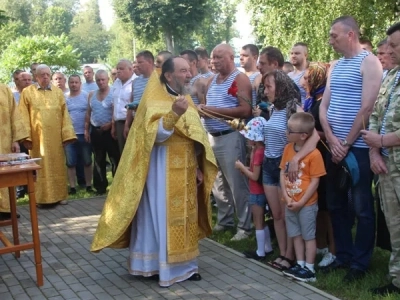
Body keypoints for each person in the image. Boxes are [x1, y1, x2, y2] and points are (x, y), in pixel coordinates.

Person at [91, 57, 218, 287]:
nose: (189, 75)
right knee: (161, 216)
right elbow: (153, 137)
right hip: (161, 169)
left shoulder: (186, 97)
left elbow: (195, 134)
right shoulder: (152, 101)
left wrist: (199, 166)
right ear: (169, 75)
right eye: (183, 71)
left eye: (189, 70)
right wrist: (173, 114)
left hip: (186, 166)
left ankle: (186, 266)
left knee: (184, 217)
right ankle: (156, 266)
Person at [319, 16, 382, 282]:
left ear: (351, 35)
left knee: (361, 207)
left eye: (334, 35)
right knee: (335, 204)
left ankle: (360, 262)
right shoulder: (335, 65)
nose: (331, 40)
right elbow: (324, 107)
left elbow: (367, 107)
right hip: (334, 146)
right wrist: (332, 139)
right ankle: (343, 255)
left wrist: (345, 143)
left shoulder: (369, 62)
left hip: (356, 149)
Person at [262, 70, 319, 271]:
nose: (265, 90)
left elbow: (313, 137)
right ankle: (283, 252)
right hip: (269, 164)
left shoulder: (293, 108)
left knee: (288, 212)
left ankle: (291, 256)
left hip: (286, 164)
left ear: (281, 86)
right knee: (277, 214)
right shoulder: (273, 108)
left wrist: (296, 159)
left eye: (269, 86)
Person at [200, 43, 252, 241]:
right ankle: (224, 220)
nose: (214, 61)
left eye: (219, 57)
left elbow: (246, 110)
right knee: (217, 181)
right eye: (213, 57)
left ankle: (245, 227)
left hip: (230, 136)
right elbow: (207, 106)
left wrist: (213, 110)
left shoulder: (240, 79)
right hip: (212, 136)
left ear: (231, 57)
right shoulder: (211, 80)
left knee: (237, 183)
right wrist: (204, 111)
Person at [363, 21, 400, 296]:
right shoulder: (392, 75)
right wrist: (375, 151)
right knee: (394, 226)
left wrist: (383, 141)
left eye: (395, 45)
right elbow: (376, 114)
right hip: (387, 165)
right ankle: (397, 280)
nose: (390, 50)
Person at [19, 64, 76, 206]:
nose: (45, 77)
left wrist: (67, 134)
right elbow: (23, 115)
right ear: (36, 77)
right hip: (37, 138)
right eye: (42, 74)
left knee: (57, 166)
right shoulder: (27, 92)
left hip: (56, 137)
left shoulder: (58, 92)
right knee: (39, 166)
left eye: (47, 74)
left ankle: (60, 196)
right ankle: (41, 198)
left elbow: (65, 115)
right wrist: (26, 137)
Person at [280, 112, 326, 282]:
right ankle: (299, 264)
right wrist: (286, 196)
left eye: (289, 130)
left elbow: (315, 181)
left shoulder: (314, 155)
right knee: (296, 235)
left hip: (306, 204)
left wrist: (302, 202)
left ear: (303, 135)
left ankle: (310, 268)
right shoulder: (287, 149)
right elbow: (282, 173)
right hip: (290, 202)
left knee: (308, 236)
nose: (286, 132)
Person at [235, 117, 273, 260]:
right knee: (262, 221)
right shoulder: (258, 149)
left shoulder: (258, 153)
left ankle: (260, 252)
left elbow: (255, 176)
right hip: (259, 190)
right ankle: (267, 247)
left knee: (258, 221)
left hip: (257, 191)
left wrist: (242, 168)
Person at [85, 70, 119, 195]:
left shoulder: (114, 93)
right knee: (98, 160)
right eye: (98, 80)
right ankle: (100, 187)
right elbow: (88, 113)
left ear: (108, 79)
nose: (101, 82)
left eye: (103, 79)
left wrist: (111, 124)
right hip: (96, 131)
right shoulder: (91, 94)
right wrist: (86, 130)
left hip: (110, 131)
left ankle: (117, 186)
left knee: (114, 158)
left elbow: (117, 112)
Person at [0, 84, 29, 220]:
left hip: (5, 142)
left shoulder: (4, 89)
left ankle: (7, 209)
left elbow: (14, 116)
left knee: (6, 175)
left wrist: (15, 140)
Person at [65, 75, 93, 196]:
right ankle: (72, 186)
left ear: (80, 83)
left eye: (76, 82)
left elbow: (91, 113)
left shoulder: (87, 96)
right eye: (72, 82)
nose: (74, 84)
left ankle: (88, 185)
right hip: (70, 135)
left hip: (84, 133)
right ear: (68, 84)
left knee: (87, 161)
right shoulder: (64, 98)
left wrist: (88, 130)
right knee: (71, 162)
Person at [124, 51, 155, 138]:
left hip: (153, 123)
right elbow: (131, 103)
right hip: (137, 122)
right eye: (137, 62)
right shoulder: (135, 82)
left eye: (140, 62)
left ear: (150, 62)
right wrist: (127, 124)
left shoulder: (159, 79)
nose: (137, 65)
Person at [111, 59, 136, 155]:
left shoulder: (136, 81)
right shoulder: (116, 82)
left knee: (132, 154)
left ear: (130, 69)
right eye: (117, 69)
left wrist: (127, 124)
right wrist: (113, 125)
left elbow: (133, 103)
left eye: (121, 68)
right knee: (122, 154)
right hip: (118, 123)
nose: (118, 71)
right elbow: (114, 104)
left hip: (131, 122)